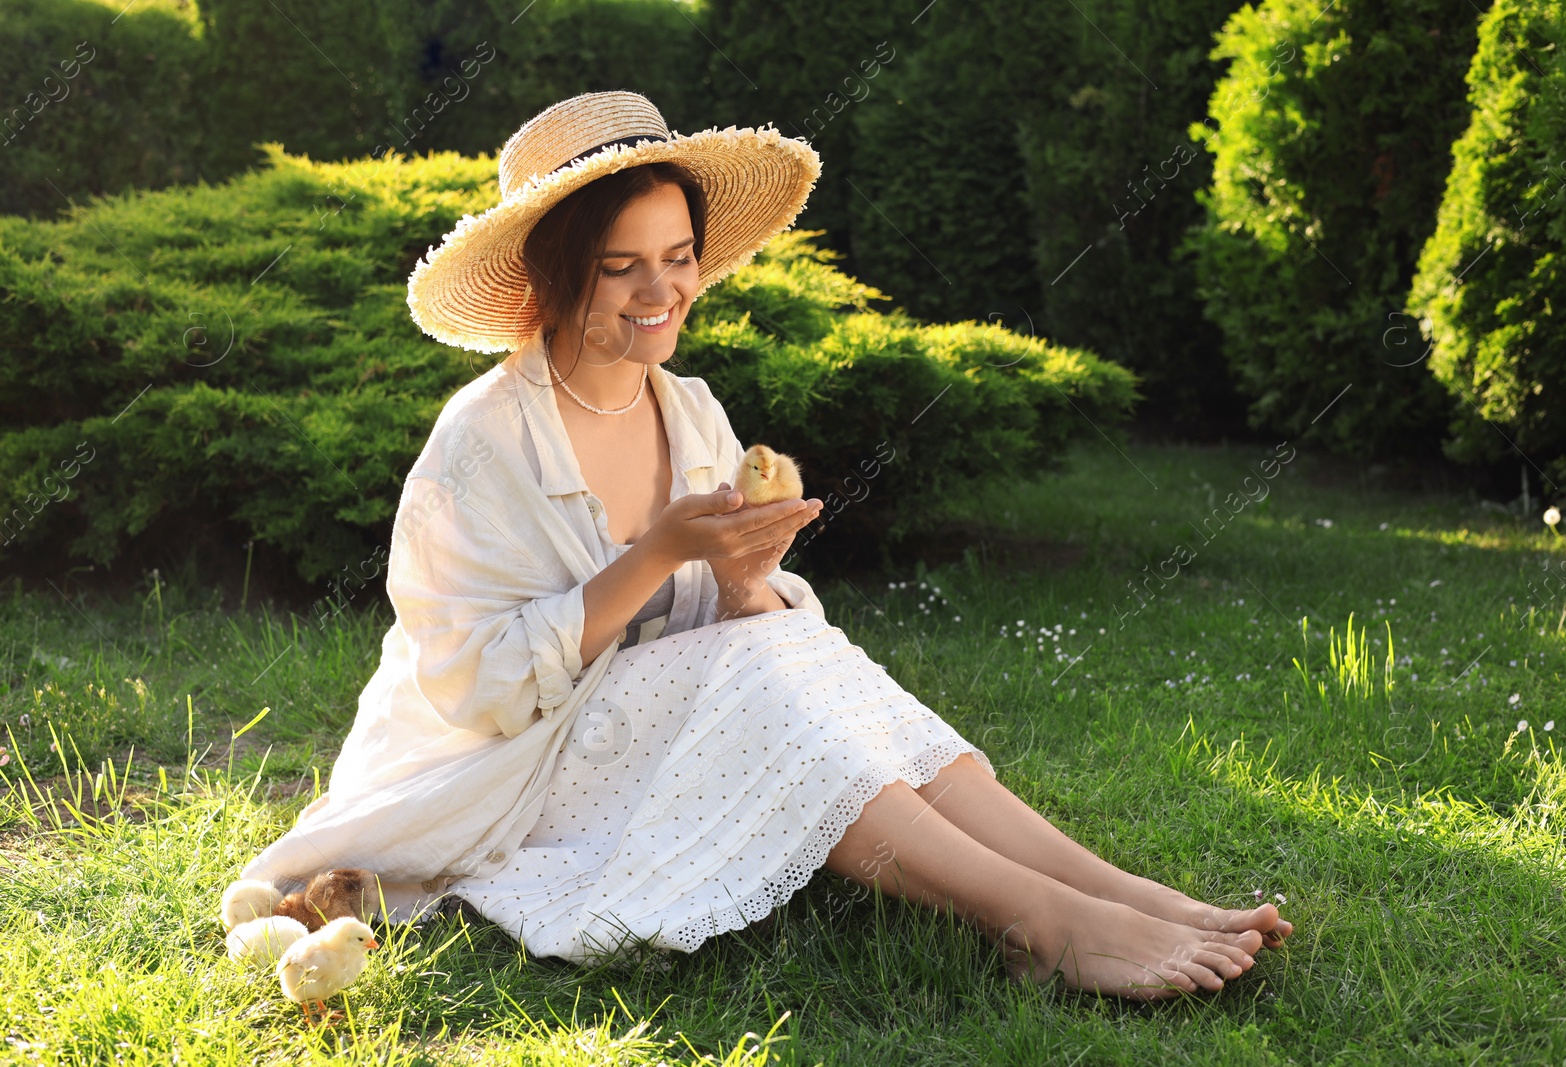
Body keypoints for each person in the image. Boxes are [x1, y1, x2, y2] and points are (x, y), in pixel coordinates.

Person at [238, 91, 1290, 1001]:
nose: (662, 295)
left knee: (801, 652)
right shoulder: (481, 442)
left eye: (679, 257)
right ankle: (1040, 921)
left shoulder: (691, 412)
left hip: (656, 725)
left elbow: (745, 654)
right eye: (621, 269)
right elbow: (477, 688)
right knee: (767, 673)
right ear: (557, 279)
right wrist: (653, 553)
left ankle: (1112, 889)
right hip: (506, 764)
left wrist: (745, 582)